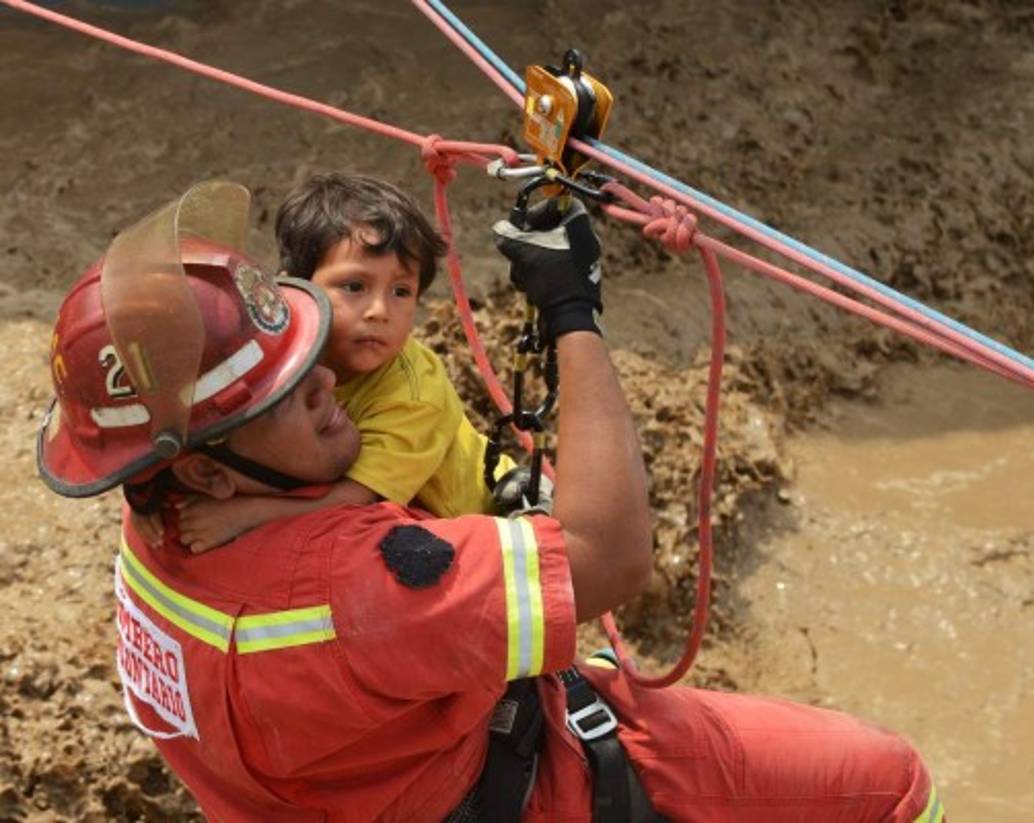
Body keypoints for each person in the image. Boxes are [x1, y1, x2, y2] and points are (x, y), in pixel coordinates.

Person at [38, 180, 943, 822]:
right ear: (208, 471)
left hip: (321, 788)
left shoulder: (158, 516)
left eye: (305, 357)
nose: (325, 380)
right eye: (284, 395)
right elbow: (612, 556)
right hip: (517, 783)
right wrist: (573, 312)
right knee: (892, 781)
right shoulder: (360, 584)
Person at [132, 173, 521, 553]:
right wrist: (145, 489)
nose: (379, 310)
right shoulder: (279, 339)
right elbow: (201, 399)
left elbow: (355, 500)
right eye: (355, 286)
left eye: (402, 291)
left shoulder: (414, 395)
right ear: (296, 288)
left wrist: (244, 514)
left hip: (479, 516)